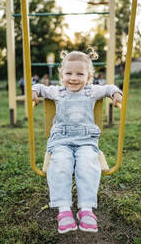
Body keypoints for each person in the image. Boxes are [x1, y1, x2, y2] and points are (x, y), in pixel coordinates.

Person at [32, 48, 122, 234]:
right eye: (69, 73)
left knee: (88, 164)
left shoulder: (92, 91)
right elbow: (40, 88)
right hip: (61, 141)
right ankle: (64, 210)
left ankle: (86, 209)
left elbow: (109, 87)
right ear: (61, 75)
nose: (74, 78)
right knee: (61, 163)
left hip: (86, 142)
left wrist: (116, 94)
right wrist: (33, 91)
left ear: (89, 76)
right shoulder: (57, 91)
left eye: (80, 74)